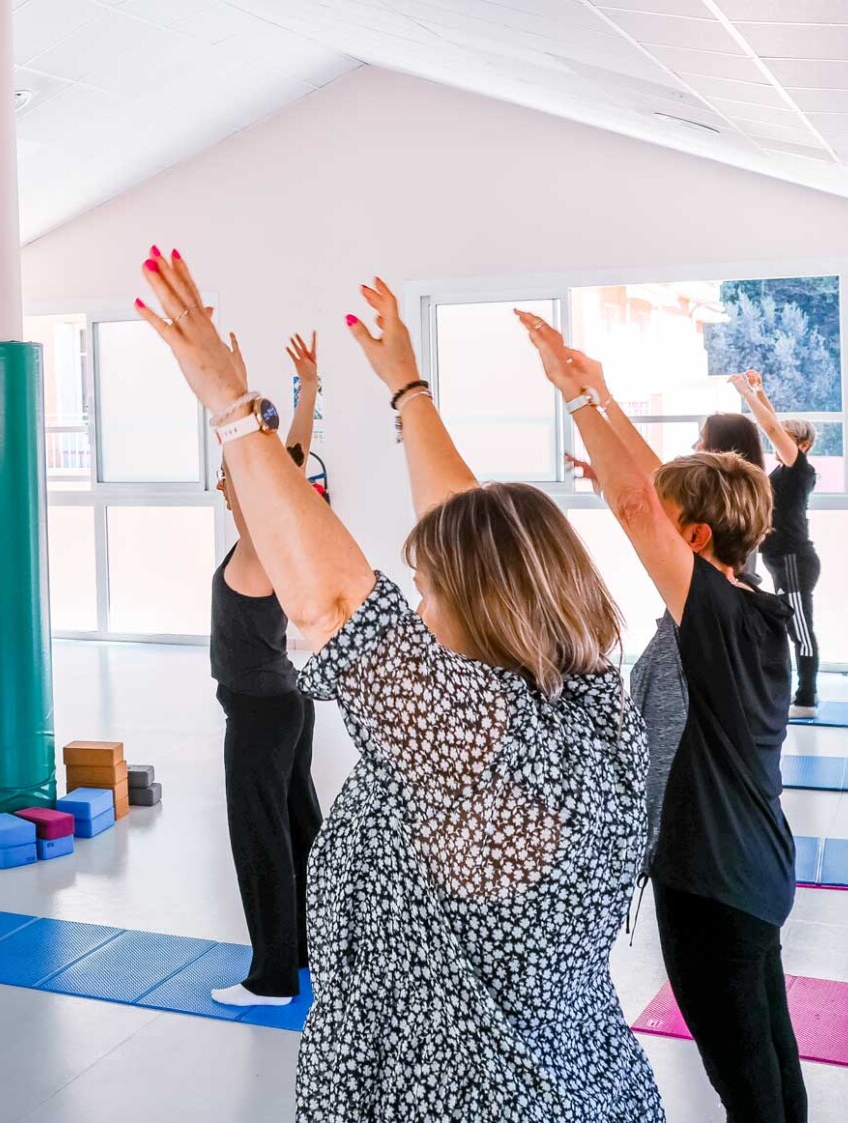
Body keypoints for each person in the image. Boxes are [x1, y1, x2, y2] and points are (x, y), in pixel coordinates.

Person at [136, 249, 661, 1120]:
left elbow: (338, 602)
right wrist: (408, 391)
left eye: (426, 591)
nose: (418, 607)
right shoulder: (590, 697)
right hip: (582, 1080)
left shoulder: (474, 744)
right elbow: (479, 539)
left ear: (477, 605)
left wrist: (230, 407)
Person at [520, 311, 804, 1123]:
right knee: (770, 1059)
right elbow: (661, 494)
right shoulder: (749, 607)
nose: (652, 540)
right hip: (752, 867)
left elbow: (639, 502)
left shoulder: (716, 621)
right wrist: (603, 391)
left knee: (748, 1083)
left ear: (698, 537)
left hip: (713, 881)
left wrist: (579, 397)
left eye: (670, 530)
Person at [208, 331, 323, 1008]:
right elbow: (291, 466)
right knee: (298, 828)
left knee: (261, 843)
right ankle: (307, 950)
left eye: (229, 476)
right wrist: (308, 393)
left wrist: (233, 395)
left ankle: (271, 979)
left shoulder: (258, 548)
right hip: (288, 704)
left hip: (258, 713)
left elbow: (269, 469)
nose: (224, 482)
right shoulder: (279, 538)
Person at [732, 372, 822, 718]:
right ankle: (798, 695)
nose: (776, 441)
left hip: (793, 560)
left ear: (803, 445)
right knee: (792, 627)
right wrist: (759, 391)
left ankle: (807, 700)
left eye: (787, 438)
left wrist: (746, 394)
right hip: (780, 559)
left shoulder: (800, 470)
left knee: (800, 630)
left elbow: (771, 428)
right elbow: (774, 425)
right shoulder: (784, 471)